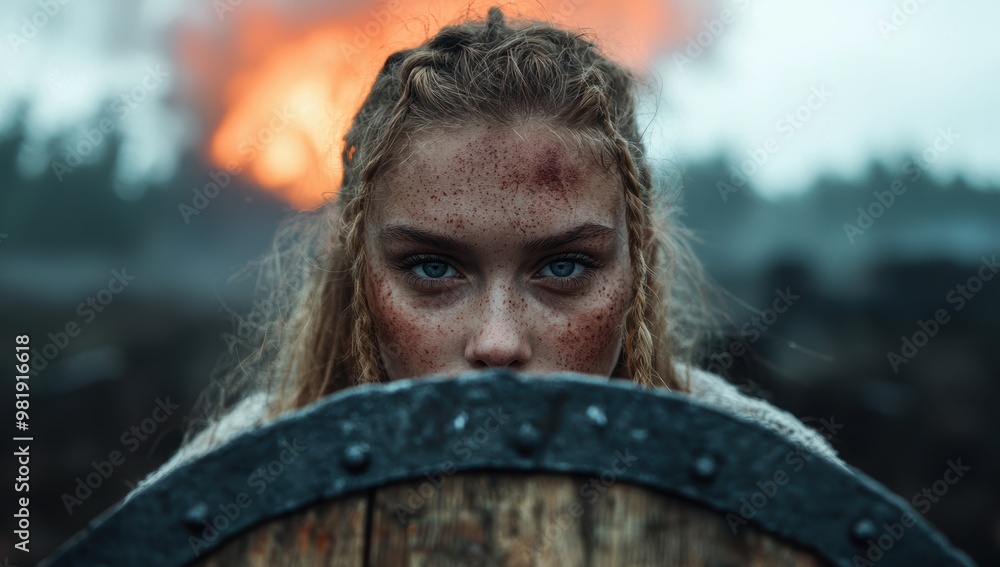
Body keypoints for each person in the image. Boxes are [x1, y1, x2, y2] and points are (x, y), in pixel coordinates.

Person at [131, 7, 841, 497]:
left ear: (638, 266)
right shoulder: (222, 492)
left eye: (563, 267)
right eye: (432, 268)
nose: (497, 343)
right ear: (357, 276)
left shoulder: (774, 479)